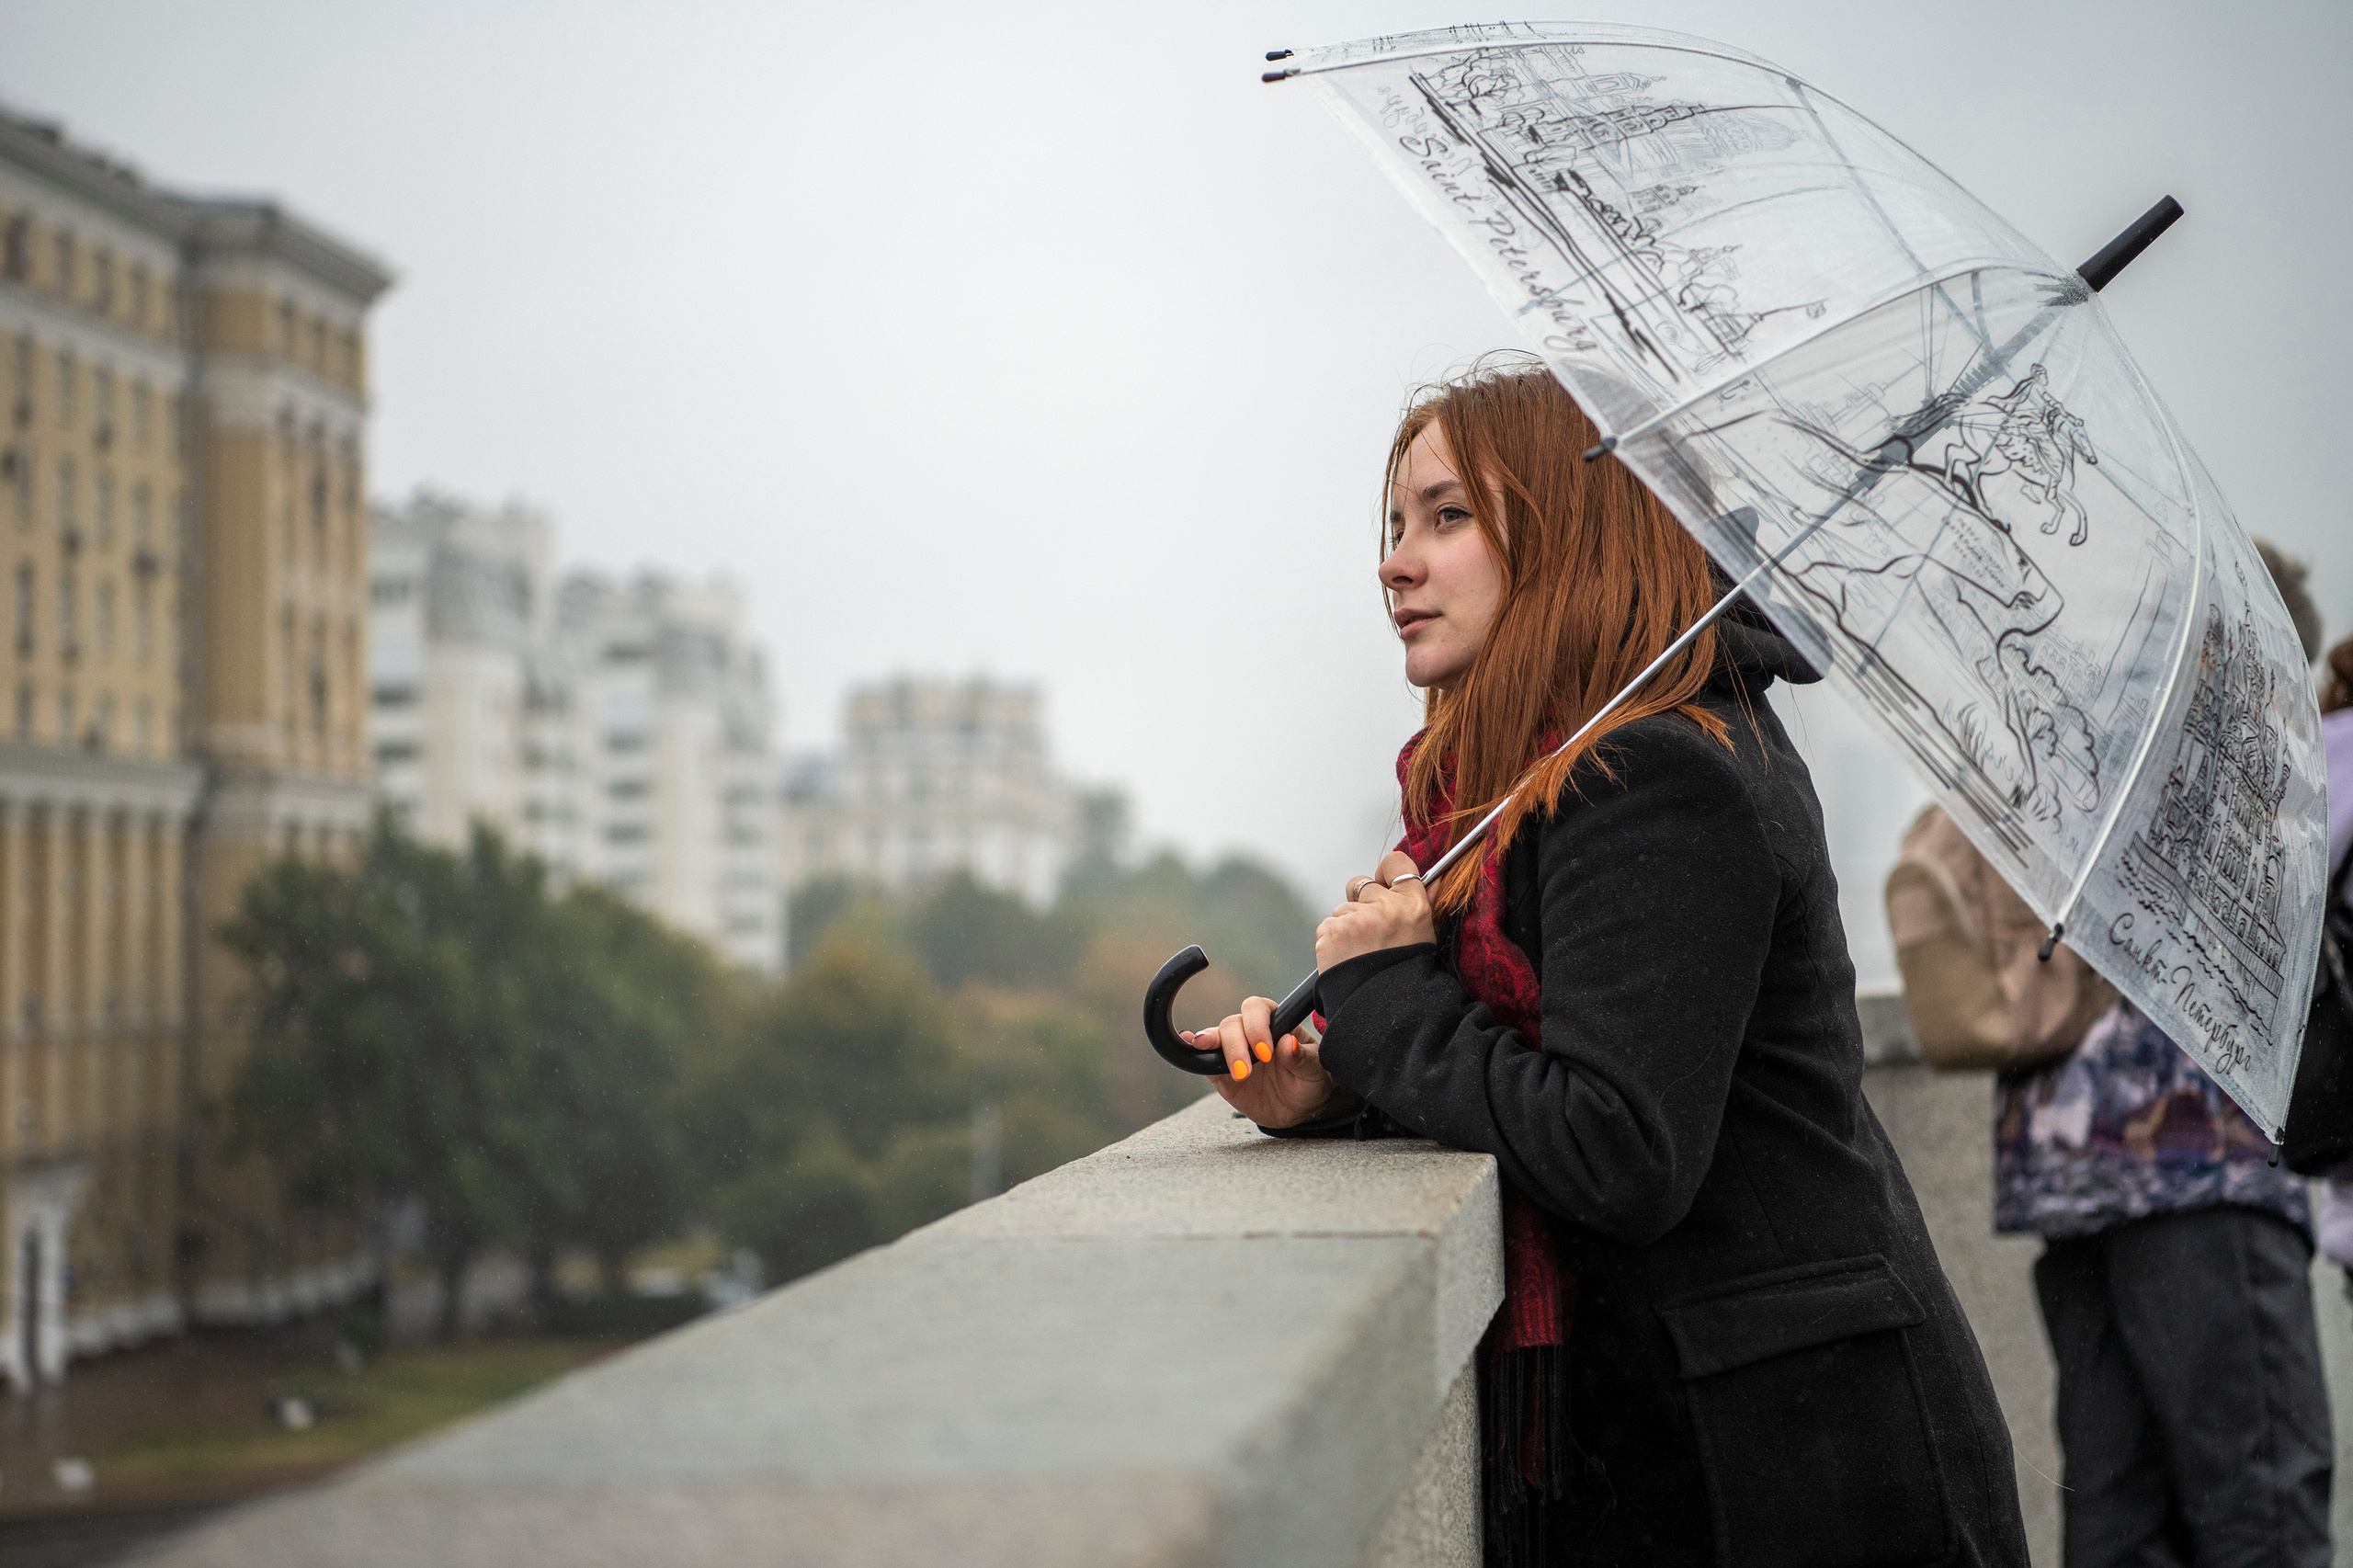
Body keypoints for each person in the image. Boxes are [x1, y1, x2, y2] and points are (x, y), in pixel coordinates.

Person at [1182, 362, 2027, 1567]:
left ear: (1565, 525)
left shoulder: (1655, 772)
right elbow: (1563, 1037)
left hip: (1794, 1463)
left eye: (1447, 515)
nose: (1395, 560)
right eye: (1394, 523)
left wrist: (1382, 995)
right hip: (1715, 1441)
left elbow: (1617, 1140)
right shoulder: (1541, 774)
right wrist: (1342, 1083)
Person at [1987, 542, 2332, 1568]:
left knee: (2116, 1512)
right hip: (2198, 1161)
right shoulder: (2234, 749)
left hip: (2066, 1166)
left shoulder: (2065, 736)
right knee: (2259, 1505)